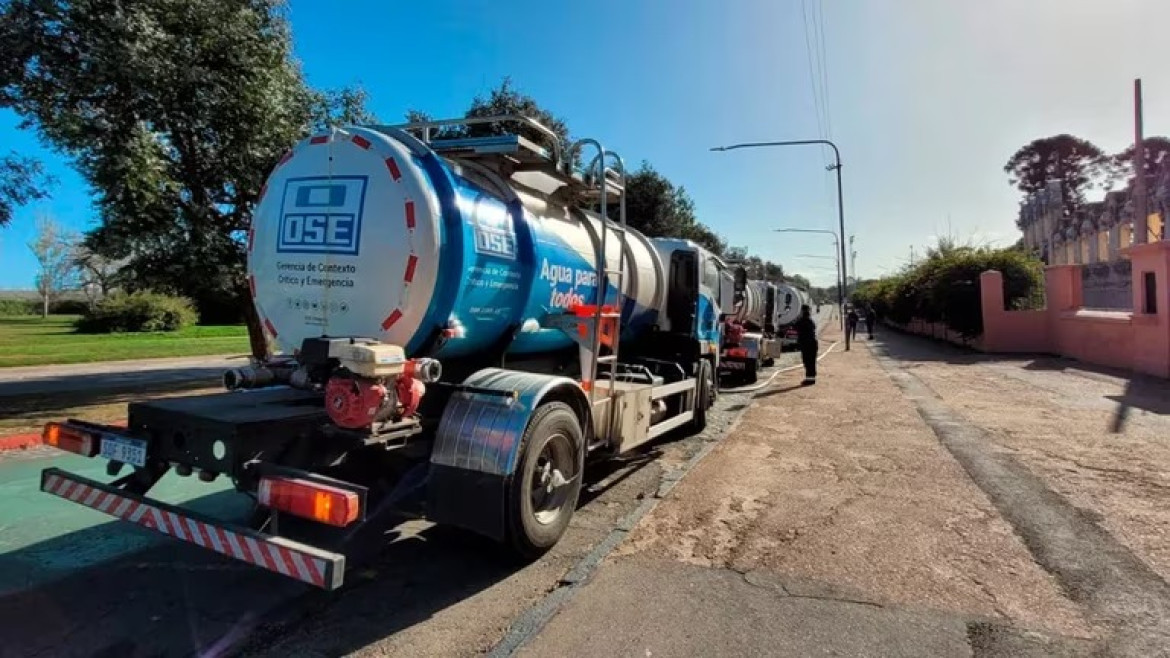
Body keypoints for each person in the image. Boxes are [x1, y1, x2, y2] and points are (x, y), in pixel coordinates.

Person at [794, 304, 818, 385]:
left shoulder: (802, 320)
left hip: (806, 344)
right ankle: (811, 378)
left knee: (807, 361)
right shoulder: (810, 320)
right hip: (812, 343)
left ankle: (809, 379)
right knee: (811, 361)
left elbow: (795, 327)